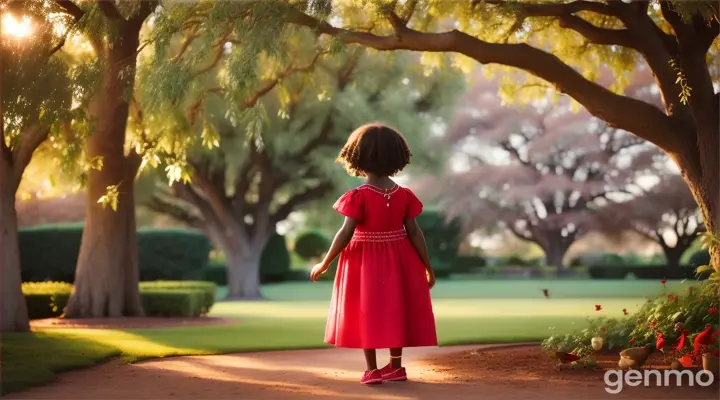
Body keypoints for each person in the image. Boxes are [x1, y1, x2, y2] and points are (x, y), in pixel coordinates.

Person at [310, 122, 438, 385]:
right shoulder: (404, 195)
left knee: (366, 310)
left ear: (358, 157)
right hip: (400, 257)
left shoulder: (359, 196)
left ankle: (372, 370)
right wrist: (428, 266)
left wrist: (324, 262)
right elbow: (415, 233)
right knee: (395, 309)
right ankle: (396, 367)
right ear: (397, 157)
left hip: (364, 260)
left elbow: (345, 233)